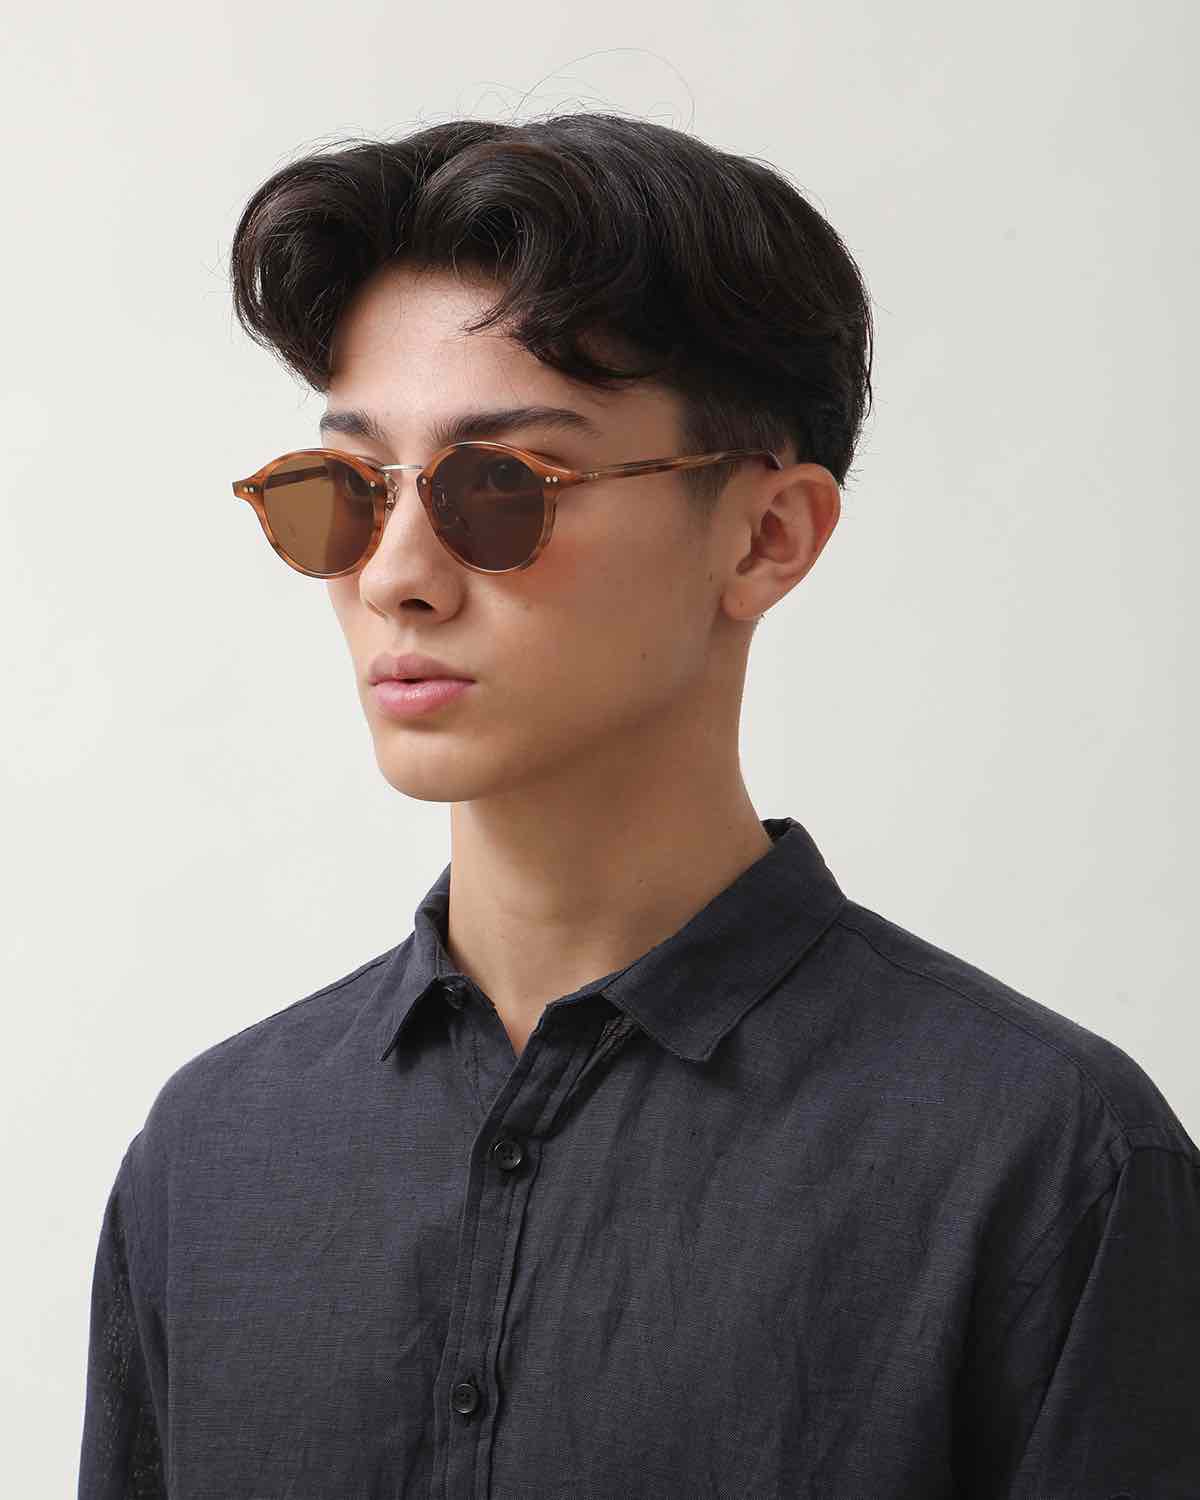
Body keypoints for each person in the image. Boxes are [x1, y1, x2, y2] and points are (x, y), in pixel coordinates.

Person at [78, 112, 1200, 1499]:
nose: (394, 577)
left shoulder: (1045, 1164)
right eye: (346, 491)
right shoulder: (210, 1157)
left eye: (502, 488)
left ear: (767, 536)